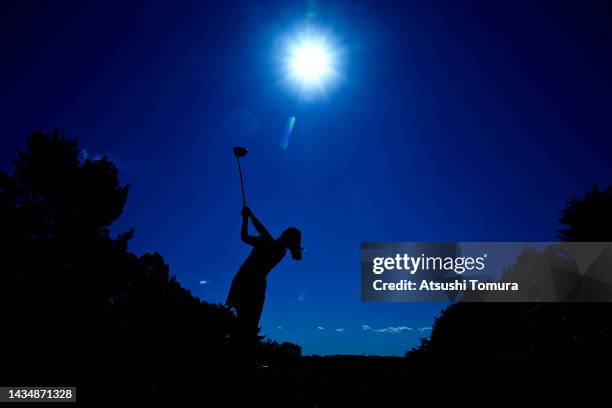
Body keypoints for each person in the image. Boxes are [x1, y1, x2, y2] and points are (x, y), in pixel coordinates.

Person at [226, 206, 302, 353]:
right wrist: (251, 216)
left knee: (244, 323)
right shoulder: (281, 252)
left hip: (244, 281)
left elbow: (245, 236)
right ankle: (245, 357)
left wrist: (246, 218)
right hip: (257, 286)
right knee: (250, 325)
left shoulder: (267, 243)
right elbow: (264, 232)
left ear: (283, 234)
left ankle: (240, 355)